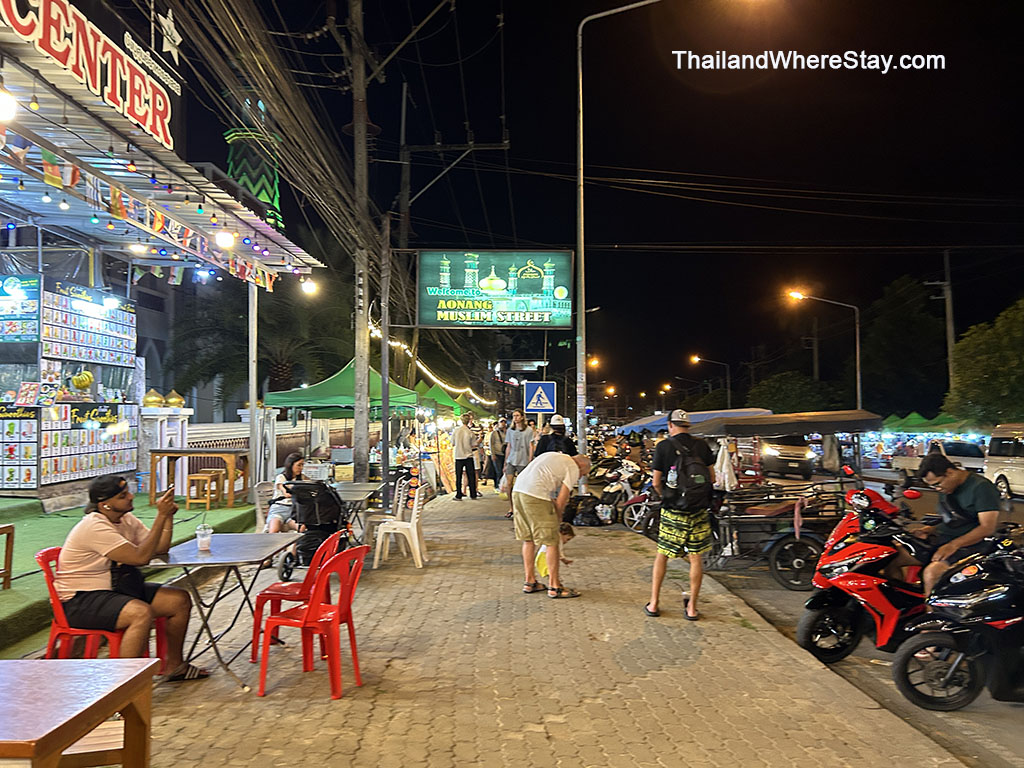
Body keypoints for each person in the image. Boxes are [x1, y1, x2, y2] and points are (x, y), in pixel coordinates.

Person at [55, 475, 208, 681]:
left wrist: (168, 515)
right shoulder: (95, 526)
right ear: (105, 504)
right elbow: (141, 558)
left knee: (178, 600)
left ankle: (174, 665)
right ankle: (123, 687)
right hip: (81, 599)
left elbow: (160, 548)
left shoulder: (124, 519)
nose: (131, 497)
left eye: (127, 492)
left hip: (114, 589)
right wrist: (160, 517)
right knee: (140, 613)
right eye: (122, 495)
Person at [645, 410, 716, 620]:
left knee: (662, 555)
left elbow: (656, 482)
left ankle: (654, 604)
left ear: (669, 425)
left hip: (673, 510)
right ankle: (692, 608)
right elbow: (711, 477)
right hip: (698, 510)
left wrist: (666, 497)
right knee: (696, 559)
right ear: (688, 425)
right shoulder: (701, 445)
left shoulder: (663, 446)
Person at [900, 453, 1001, 594]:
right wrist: (930, 530)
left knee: (932, 573)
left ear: (950, 472)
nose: (937, 489)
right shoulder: (947, 488)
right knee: (892, 555)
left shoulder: (981, 488)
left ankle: (932, 614)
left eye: (937, 484)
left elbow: (987, 528)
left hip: (972, 545)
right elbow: (951, 519)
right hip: (944, 540)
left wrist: (953, 545)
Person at [513, 452, 591, 598]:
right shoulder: (573, 466)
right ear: (581, 466)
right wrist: (559, 517)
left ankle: (530, 582)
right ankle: (555, 587)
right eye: (582, 474)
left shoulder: (555, 456)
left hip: (518, 491)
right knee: (552, 541)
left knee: (528, 539)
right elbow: (563, 497)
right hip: (536, 495)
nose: (580, 477)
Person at [502, 409, 535, 517]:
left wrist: (530, 461)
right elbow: (509, 446)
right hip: (511, 459)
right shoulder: (510, 430)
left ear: (522, 417)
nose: (515, 418)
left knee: (522, 485)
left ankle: (521, 507)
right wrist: (505, 463)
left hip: (523, 460)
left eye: (517, 415)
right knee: (509, 484)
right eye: (513, 416)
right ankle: (511, 507)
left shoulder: (529, 430)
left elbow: (531, 446)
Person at [264, 452, 307, 533]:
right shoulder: (281, 477)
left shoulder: (302, 477)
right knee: (274, 530)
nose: (301, 468)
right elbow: (286, 493)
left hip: (294, 510)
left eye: (302, 465)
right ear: (291, 465)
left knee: (301, 528)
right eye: (299, 465)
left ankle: (295, 545)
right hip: (279, 508)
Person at [452, 412, 480, 500]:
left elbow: (452, 443)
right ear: (468, 421)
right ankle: (473, 494)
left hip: (458, 456)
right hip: (468, 456)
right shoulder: (470, 432)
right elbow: (474, 445)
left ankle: (459, 495)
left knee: (459, 476)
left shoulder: (456, 431)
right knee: (471, 476)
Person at [489, 417, 507, 487]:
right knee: (498, 471)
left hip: (505, 454)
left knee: (504, 471)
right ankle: (498, 485)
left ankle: (502, 485)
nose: (503, 423)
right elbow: (491, 444)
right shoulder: (494, 433)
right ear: (498, 423)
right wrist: (492, 454)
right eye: (501, 422)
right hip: (497, 454)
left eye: (504, 422)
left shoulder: (507, 433)